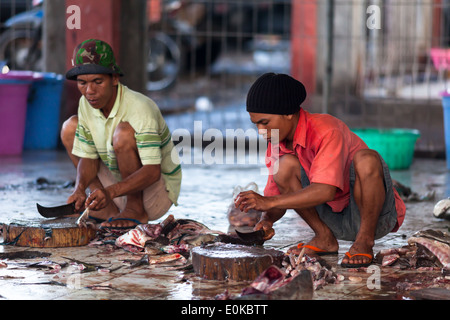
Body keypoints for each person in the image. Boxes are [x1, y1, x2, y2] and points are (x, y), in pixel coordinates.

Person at [234, 73, 406, 268]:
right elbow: (276, 197)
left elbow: (325, 190)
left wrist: (268, 202)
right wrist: (267, 221)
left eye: (265, 122)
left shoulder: (326, 129)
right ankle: (324, 238)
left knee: (367, 159)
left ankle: (364, 241)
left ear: (289, 113)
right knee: (283, 167)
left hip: (374, 217)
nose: (260, 130)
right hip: (332, 216)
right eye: (255, 124)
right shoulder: (275, 142)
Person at [60, 39, 181, 229]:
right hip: (117, 186)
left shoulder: (140, 107)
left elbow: (152, 171)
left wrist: (110, 192)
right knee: (69, 128)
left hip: (155, 192)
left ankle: (135, 209)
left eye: (97, 82)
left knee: (123, 133)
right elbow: (88, 156)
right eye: (82, 83)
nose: (89, 91)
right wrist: (80, 188)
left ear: (115, 79)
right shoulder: (86, 102)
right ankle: (105, 208)